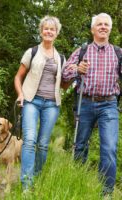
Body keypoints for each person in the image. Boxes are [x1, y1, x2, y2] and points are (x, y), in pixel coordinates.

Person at [62, 13, 121, 196]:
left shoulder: (118, 53)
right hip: (85, 103)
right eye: (99, 24)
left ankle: (106, 194)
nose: (103, 27)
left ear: (110, 29)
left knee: (109, 148)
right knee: (80, 147)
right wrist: (76, 70)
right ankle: (78, 186)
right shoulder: (82, 51)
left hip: (109, 105)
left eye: (106, 24)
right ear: (93, 29)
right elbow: (64, 75)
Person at [14, 15, 66, 190]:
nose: (49, 31)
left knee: (43, 144)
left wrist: (74, 73)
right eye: (46, 28)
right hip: (31, 101)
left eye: (52, 29)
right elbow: (18, 77)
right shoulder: (32, 52)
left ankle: (37, 178)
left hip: (52, 104)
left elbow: (65, 84)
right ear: (41, 31)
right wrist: (20, 94)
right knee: (29, 140)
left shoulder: (61, 58)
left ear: (56, 33)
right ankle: (26, 185)